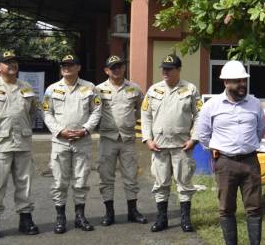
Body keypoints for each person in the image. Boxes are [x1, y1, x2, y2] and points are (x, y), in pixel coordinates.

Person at [196, 60, 265, 245]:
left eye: (243, 81)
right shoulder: (212, 106)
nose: (242, 85)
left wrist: (246, 146)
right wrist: (216, 148)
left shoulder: (255, 103)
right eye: (237, 81)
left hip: (250, 161)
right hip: (225, 163)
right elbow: (203, 134)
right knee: (226, 208)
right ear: (226, 82)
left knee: (254, 208)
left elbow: (260, 130)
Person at [141, 54, 202, 233]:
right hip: (159, 145)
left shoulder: (190, 89)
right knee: (161, 183)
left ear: (178, 70)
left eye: (169, 69)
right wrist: (147, 139)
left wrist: (194, 138)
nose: (165, 72)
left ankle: (185, 219)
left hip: (182, 145)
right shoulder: (154, 90)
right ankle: (162, 219)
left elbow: (199, 115)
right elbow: (145, 116)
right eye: (163, 69)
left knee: (184, 182)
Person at [42, 53, 102, 233]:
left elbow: (97, 111)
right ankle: (60, 217)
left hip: (82, 141)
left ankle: (80, 216)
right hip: (60, 141)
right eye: (63, 65)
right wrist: (60, 131)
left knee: (81, 180)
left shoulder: (90, 88)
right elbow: (47, 113)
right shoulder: (51, 89)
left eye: (70, 64)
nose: (66, 67)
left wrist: (85, 130)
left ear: (78, 67)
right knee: (59, 181)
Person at [0, 50, 41, 239]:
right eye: (7, 62)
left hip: (23, 143)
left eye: (14, 62)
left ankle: (25, 219)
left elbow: (33, 112)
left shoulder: (26, 87)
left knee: (24, 183)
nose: (12, 65)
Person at [95, 55, 146, 226]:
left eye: (119, 66)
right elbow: (91, 111)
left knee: (131, 176)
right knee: (106, 177)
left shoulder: (134, 89)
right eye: (112, 67)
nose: (116, 69)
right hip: (107, 139)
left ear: (124, 68)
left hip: (127, 139)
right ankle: (109, 212)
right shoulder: (98, 89)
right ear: (106, 70)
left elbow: (143, 110)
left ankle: (133, 211)